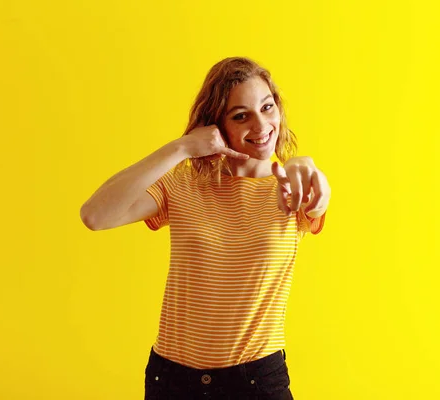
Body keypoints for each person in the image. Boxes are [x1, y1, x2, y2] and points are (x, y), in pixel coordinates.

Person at [80, 57, 331, 399]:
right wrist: (181, 147)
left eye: (267, 107)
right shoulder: (183, 185)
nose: (261, 125)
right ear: (216, 125)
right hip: (172, 382)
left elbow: (317, 198)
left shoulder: (291, 186)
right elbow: (95, 215)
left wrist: (307, 167)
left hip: (255, 383)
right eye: (240, 115)